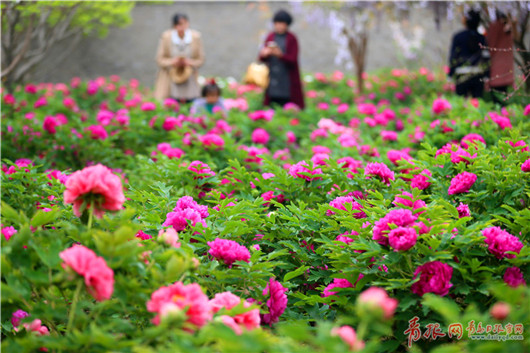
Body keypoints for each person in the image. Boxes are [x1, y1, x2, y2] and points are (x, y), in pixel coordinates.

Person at [259, 9, 305, 110]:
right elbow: (261, 58)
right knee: (271, 107)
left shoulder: (292, 38)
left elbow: (293, 59)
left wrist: (280, 55)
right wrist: (265, 53)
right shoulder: (270, 37)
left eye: (282, 23)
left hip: (287, 82)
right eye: (277, 23)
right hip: (273, 81)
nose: (279, 26)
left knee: (288, 108)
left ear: (287, 25)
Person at [154, 13, 205, 103]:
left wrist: (189, 62)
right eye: (179, 24)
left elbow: (201, 60)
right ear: (174, 25)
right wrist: (173, 62)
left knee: (191, 104)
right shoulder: (166, 37)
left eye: (184, 23)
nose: (182, 27)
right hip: (171, 78)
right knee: (171, 105)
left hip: (189, 78)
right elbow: (160, 59)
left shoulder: (195, 37)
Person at [448, 9, 490, 98]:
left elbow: (453, 57)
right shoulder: (482, 38)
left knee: (461, 104)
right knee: (477, 103)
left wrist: (450, 74)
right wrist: (487, 75)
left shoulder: (458, 37)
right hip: (477, 74)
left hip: (461, 74)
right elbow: (486, 57)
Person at [486, 11, 515, 104]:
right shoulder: (508, 27)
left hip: (496, 70)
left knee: (497, 100)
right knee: (503, 97)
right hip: (506, 70)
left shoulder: (495, 26)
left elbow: (490, 47)